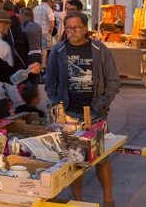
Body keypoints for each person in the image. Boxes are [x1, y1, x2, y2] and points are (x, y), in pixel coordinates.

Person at [46, 11, 120, 207]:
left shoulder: (99, 49)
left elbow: (113, 80)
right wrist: (56, 104)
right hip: (68, 114)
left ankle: (108, 199)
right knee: (74, 159)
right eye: (68, 28)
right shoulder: (58, 50)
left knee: (102, 157)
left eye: (76, 28)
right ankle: (78, 202)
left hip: (95, 112)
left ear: (85, 28)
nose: (72, 31)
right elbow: (50, 81)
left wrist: (105, 103)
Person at [19, 7, 44, 84]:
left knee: (29, 75)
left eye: (21, 14)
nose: (19, 16)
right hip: (38, 52)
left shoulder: (23, 27)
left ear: (25, 15)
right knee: (36, 75)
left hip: (29, 53)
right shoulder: (38, 26)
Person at [33, 0, 55, 67]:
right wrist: (51, 30)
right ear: (49, 1)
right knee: (44, 48)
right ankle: (43, 64)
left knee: (37, 47)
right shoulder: (48, 9)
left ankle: (36, 62)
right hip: (45, 30)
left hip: (36, 30)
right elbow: (51, 21)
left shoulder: (36, 8)